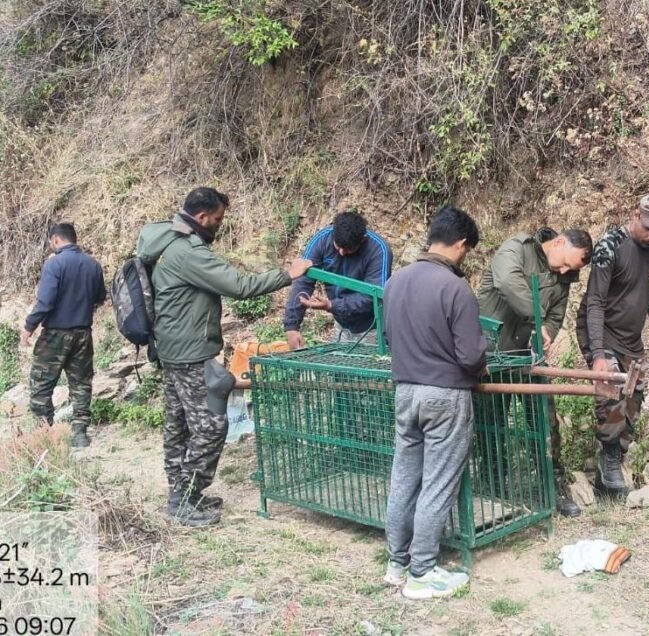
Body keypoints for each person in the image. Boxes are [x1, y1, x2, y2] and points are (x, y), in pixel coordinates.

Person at [136, 187, 312, 527]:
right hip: (189, 351)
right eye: (217, 219)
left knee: (178, 424)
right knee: (213, 425)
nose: (219, 225)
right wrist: (287, 274)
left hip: (171, 348)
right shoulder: (188, 252)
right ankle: (185, 498)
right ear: (202, 217)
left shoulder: (166, 240)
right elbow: (239, 286)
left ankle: (181, 494)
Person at [382, 204, 487, 600]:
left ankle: (397, 563)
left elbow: (390, 337)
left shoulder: (395, 282)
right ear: (460, 244)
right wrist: (482, 359)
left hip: (405, 391)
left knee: (405, 478)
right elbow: (471, 355)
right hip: (444, 395)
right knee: (438, 484)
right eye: (468, 250)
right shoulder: (455, 287)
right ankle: (422, 571)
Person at [478, 227, 592, 517]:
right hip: (495, 353)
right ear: (558, 242)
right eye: (566, 262)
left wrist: (549, 332)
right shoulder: (518, 248)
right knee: (491, 424)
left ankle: (553, 487)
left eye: (572, 268)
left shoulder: (563, 277)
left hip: (530, 357)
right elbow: (506, 282)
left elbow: (556, 315)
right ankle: (491, 487)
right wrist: (537, 318)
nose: (566, 270)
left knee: (544, 421)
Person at [575, 194, 649, 496]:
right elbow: (594, 302)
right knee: (611, 397)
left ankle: (610, 466)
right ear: (635, 215)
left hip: (631, 338)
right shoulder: (611, 246)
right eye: (648, 228)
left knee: (633, 399)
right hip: (601, 331)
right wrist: (597, 354)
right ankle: (609, 461)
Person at [22, 223, 106, 447]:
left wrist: (29, 326)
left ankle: (45, 433)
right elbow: (100, 297)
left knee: (41, 384)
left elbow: (45, 302)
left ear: (56, 240)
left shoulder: (54, 264)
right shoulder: (93, 265)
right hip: (83, 334)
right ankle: (80, 433)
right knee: (81, 383)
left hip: (55, 335)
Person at [283, 209, 393, 348]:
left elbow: (373, 297)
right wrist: (292, 326)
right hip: (341, 323)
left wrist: (332, 305)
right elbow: (303, 280)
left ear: (363, 240)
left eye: (348, 249)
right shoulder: (322, 240)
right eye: (338, 247)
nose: (341, 252)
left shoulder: (378, 250)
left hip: (371, 327)